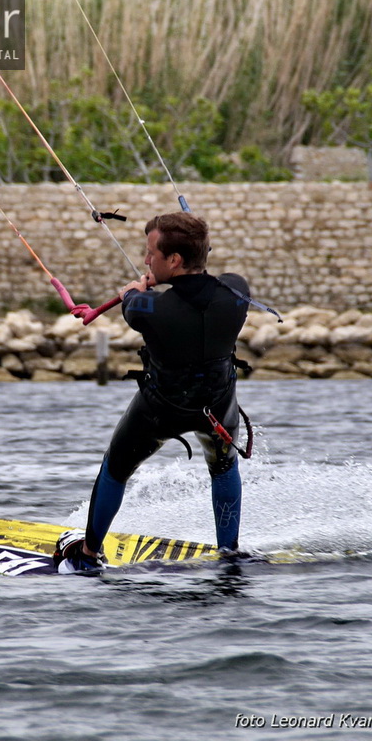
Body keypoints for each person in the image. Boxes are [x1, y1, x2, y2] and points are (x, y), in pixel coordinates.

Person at [54, 212, 250, 573]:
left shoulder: (149, 308)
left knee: (115, 469)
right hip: (217, 406)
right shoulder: (238, 292)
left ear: (174, 260)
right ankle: (229, 551)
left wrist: (135, 290)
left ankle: (88, 553)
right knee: (223, 468)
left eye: (151, 254)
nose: (146, 260)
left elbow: (133, 303)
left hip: (162, 408)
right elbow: (214, 283)